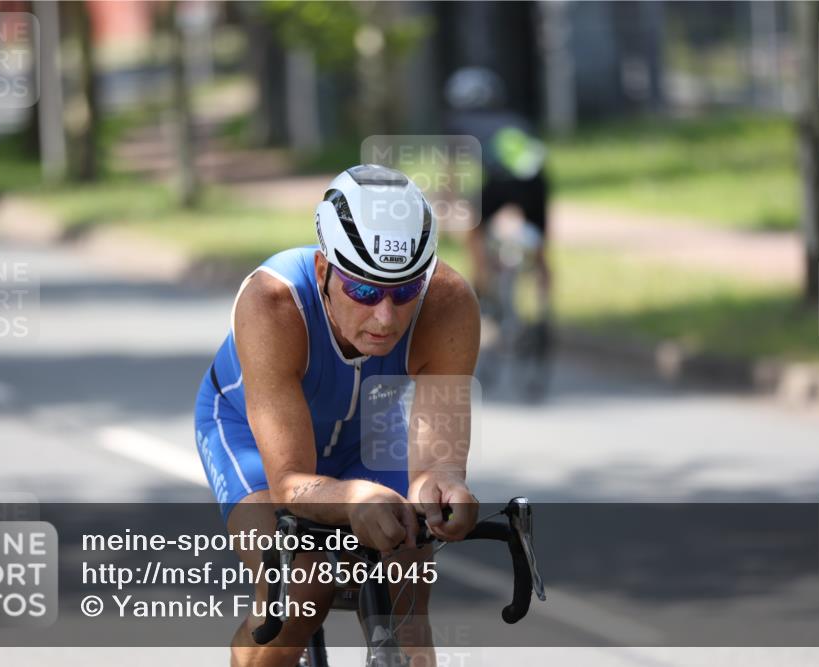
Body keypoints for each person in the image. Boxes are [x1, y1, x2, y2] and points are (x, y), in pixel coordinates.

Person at [194, 164, 481, 667]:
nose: (385, 317)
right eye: (365, 292)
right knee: (303, 586)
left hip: (361, 435)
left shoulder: (449, 303)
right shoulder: (273, 302)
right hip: (248, 435)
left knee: (408, 588)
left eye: (404, 292)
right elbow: (289, 484)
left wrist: (444, 492)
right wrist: (352, 497)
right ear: (324, 271)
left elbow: (437, 464)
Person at [443, 66, 553, 323]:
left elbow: (450, 174)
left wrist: (447, 207)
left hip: (500, 182)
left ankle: (484, 290)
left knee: (474, 229)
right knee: (540, 250)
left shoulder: (458, 123)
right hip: (536, 183)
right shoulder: (517, 120)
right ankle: (545, 314)